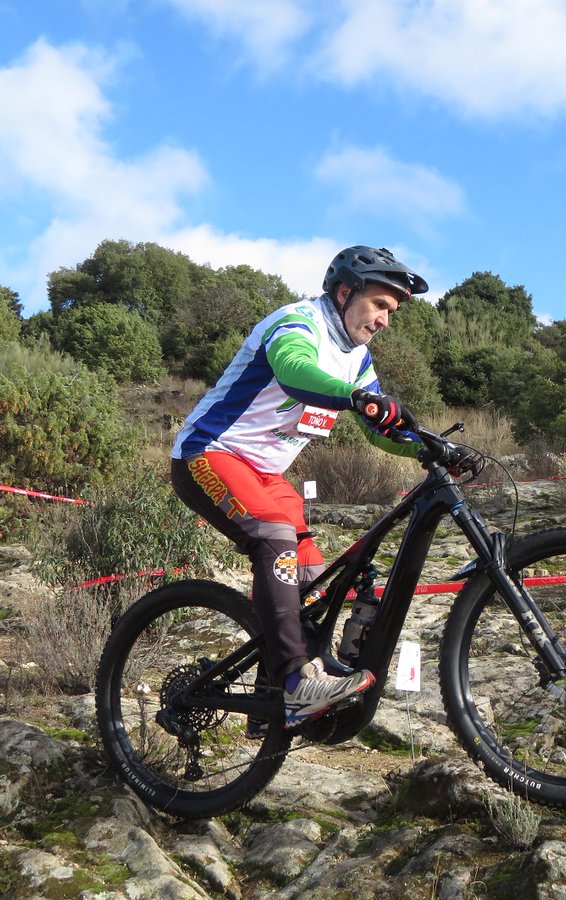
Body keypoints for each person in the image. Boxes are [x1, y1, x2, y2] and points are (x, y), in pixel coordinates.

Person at [170, 245, 426, 729]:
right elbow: (293, 371)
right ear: (345, 292)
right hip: (209, 452)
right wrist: (355, 397)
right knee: (274, 537)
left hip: (267, 474)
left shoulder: (358, 357)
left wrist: (428, 448)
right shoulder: (298, 322)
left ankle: (271, 706)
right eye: (379, 306)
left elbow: (379, 428)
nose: (385, 321)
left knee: (310, 575)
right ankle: (292, 681)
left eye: (392, 312)